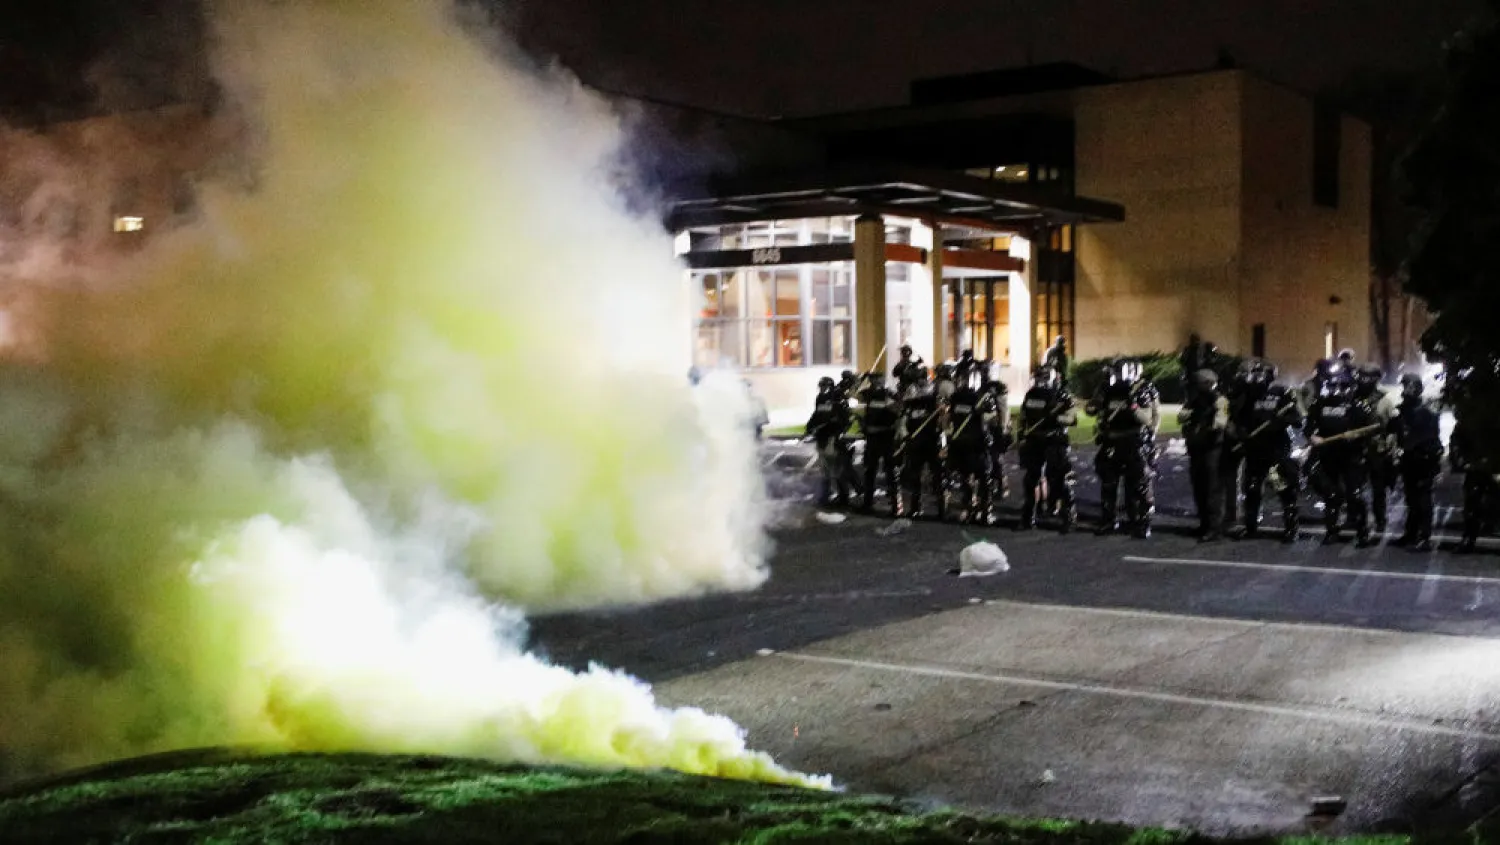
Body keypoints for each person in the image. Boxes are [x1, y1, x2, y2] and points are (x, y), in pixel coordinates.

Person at [1305, 370, 1378, 546]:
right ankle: (1332, 530)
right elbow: (1309, 426)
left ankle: (1363, 532)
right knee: (1330, 494)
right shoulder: (1319, 404)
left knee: (1355, 495)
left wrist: (1357, 436)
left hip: (1351, 456)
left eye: (1342, 386)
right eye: (1332, 385)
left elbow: (1373, 428)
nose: (1337, 390)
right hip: (1327, 455)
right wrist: (1313, 437)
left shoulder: (1359, 406)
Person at [1089, 358, 1160, 538]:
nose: (1117, 376)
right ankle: (1109, 520)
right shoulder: (1109, 389)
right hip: (1112, 441)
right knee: (1108, 483)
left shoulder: (1142, 390)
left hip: (1133, 441)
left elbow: (1147, 418)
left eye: (1120, 372)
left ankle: (1141, 522)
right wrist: (1099, 392)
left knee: (1138, 484)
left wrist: (1133, 406)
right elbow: (1091, 409)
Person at [1235, 360, 1303, 542]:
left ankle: (1291, 528)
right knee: (1252, 488)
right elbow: (1239, 417)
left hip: (1277, 448)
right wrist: (1243, 432)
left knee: (1283, 487)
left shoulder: (1282, 392)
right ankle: (1250, 527)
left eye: (1260, 373)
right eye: (1254, 373)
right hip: (1255, 448)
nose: (1256, 377)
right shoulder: (1249, 394)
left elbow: (1297, 418)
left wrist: (1277, 422)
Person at [1016, 365, 1078, 532]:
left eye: (1043, 378)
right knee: (1031, 480)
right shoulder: (1031, 395)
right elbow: (1023, 417)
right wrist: (1021, 435)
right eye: (1038, 378)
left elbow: (1072, 419)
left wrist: (1056, 416)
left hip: (1054, 440)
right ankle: (1029, 517)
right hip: (1034, 440)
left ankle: (1068, 516)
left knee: (1061, 480)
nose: (1040, 382)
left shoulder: (1062, 396)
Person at [1391, 373, 1443, 552]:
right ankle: (1411, 533)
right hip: (1410, 461)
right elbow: (1396, 429)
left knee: (1423, 499)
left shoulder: (1425, 411)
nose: (1406, 390)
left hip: (1424, 460)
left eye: (1410, 386)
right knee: (1412, 499)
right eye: (1405, 386)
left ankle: (1424, 537)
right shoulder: (1404, 410)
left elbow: (1424, 438)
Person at [1177, 368, 1230, 541]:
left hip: (1212, 449)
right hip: (1197, 448)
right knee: (1199, 488)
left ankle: (1215, 527)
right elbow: (1181, 416)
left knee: (1212, 490)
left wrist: (1206, 423)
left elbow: (1220, 423)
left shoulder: (1219, 399)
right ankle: (1204, 523)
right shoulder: (1194, 400)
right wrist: (1193, 414)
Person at [1353, 365, 1400, 537]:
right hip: (1355, 449)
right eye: (1361, 376)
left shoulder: (1384, 400)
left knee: (1378, 489)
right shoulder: (1352, 397)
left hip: (1377, 450)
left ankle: (1380, 519)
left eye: (1367, 377)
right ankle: (1357, 519)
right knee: (1354, 488)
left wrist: (1391, 447)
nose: (1362, 380)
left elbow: (1394, 426)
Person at [944, 372, 994, 524]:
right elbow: (949, 417)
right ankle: (972, 508)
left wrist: (985, 411)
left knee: (981, 478)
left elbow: (990, 417)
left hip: (975, 443)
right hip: (964, 443)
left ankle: (984, 510)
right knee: (969, 477)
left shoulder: (981, 398)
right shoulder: (957, 398)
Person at [897, 367, 945, 520]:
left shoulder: (935, 398)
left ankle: (942, 509)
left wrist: (942, 442)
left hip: (931, 441)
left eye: (923, 378)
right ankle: (915, 508)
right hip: (915, 442)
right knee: (914, 475)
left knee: (937, 476)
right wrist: (905, 436)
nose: (920, 382)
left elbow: (943, 422)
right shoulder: (910, 403)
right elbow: (903, 421)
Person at [1449, 401, 1497, 554]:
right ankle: (1468, 538)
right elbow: (1456, 443)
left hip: (1492, 466)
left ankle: (1470, 537)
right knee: (1472, 505)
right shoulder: (1467, 422)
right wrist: (1463, 462)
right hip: (1477, 468)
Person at [855, 372, 901, 516]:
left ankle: (895, 506)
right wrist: (862, 379)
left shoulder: (889, 394)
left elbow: (897, 410)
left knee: (890, 472)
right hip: (872, 438)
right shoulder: (867, 393)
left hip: (885, 436)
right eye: (874, 379)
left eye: (879, 379)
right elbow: (855, 394)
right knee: (870, 471)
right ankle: (868, 503)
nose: (877, 382)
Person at [805, 376, 854, 507]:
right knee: (825, 470)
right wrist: (809, 428)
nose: (822, 389)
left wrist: (837, 432)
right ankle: (825, 496)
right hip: (821, 438)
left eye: (824, 387)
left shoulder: (837, 400)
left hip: (833, 438)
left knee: (837, 470)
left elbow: (845, 420)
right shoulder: (820, 399)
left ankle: (843, 498)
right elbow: (816, 415)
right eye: (821, 387)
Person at [982, 373, 1012, 504]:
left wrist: (1003, 431)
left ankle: (1000, 486)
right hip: (994, 431)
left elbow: (1003, 418)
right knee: (993, 460)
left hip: (997, 432)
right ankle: (997, 485)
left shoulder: (1000, 399)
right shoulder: (998, 398)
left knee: (996, 460)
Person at [1179, 333, 1219, 403]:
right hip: (1193, 374)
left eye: (1196, 340)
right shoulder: (1188, 350)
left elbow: (1214, 353)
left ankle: (1214, 399)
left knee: (1214, 383)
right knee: (1187, 384)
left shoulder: (1205, 347)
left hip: (1205, 374)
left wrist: (1213, 351)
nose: (1195, 342)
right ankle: (1188, 400)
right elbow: (1183, 361)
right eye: (1194, 340)